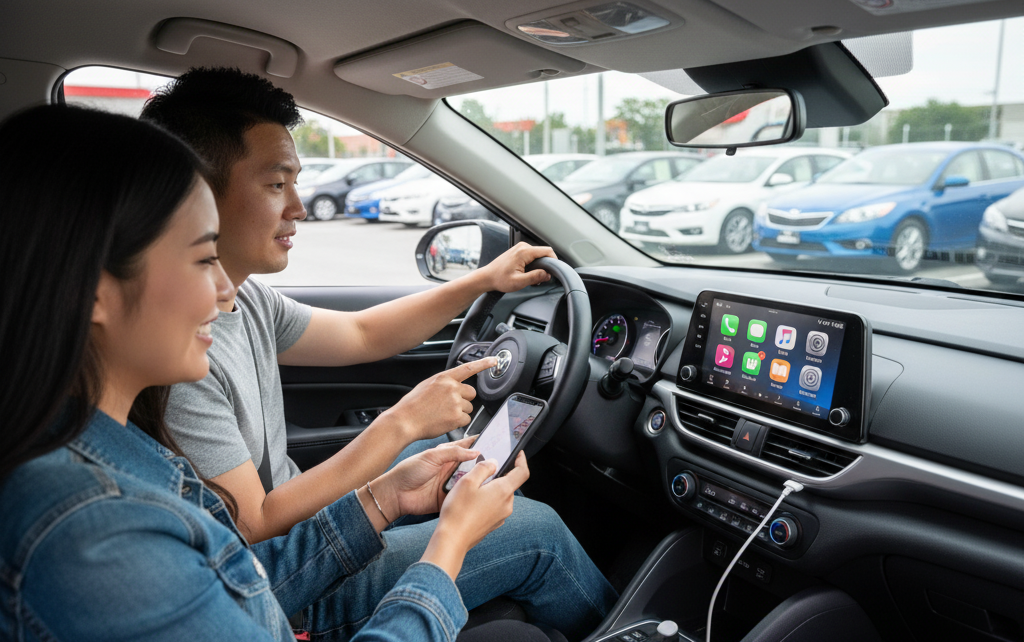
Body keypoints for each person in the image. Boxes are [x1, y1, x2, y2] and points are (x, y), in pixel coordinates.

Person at [0, 105, 550, 642]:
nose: (222, 292)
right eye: (200, 259)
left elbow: (247, 575)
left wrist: (384, 498)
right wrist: (447, 547)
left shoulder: (112, 449)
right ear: (95, 290)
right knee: (537, 536)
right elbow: (254, 536)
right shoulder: (97, 536)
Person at [142, 68, 617, 640]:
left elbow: (363, 335)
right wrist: (398, 424)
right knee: (536, 531)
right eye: (275, 185)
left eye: (297, 183)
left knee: (444, 450)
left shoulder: (246, 298)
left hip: (296, 536)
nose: (299, 206)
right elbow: (257, 524)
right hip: (286, 586)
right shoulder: (177, 356)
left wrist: (479, 280)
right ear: (196, 194)